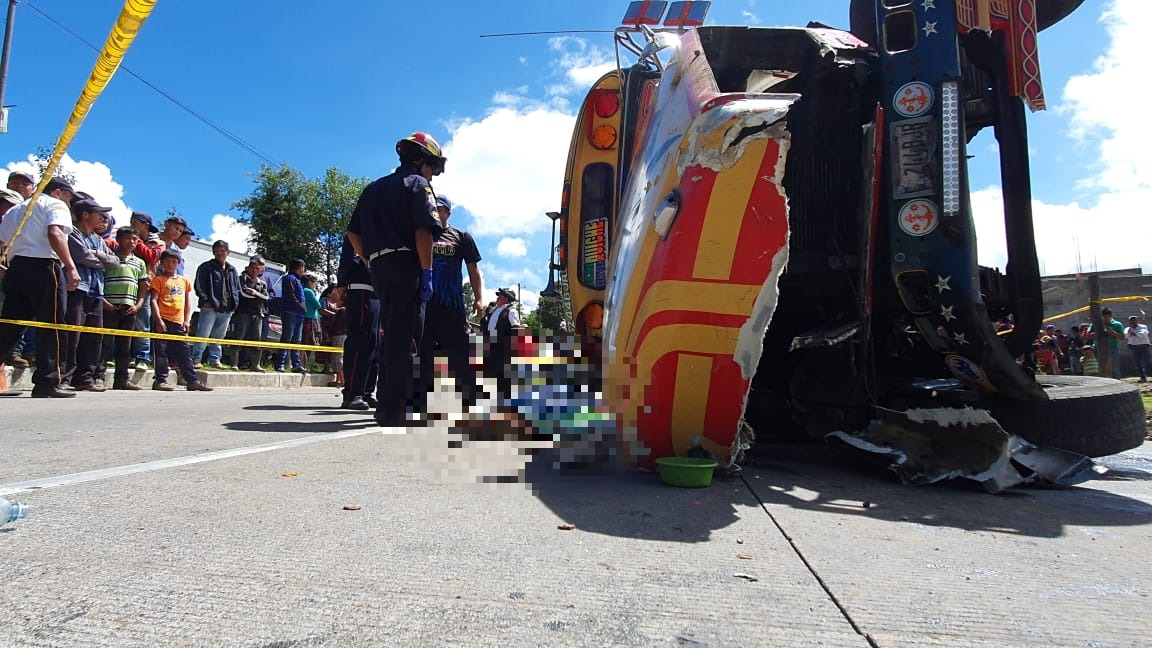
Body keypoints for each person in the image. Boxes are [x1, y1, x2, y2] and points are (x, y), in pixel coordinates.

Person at [346, 131, 445, 425]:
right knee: (407, 337)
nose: (433, 175)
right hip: (406, 265)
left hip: (379, 268)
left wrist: (370, 260)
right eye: (433, 167)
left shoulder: (373, 189)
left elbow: (353, 233)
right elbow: (423, 231)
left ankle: (386, 407)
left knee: (389, 336)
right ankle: (398, 409)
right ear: (421, 161)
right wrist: (427, 272)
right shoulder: (418, 184)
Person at [0, 177, 82, 398]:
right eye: (69, 196)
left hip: (16, 268)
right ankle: (48, 382)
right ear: (58, 192)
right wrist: (71, 267)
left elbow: (3, 241)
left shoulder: (15, 210)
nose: (70, 201)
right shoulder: (54, 204)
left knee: (9, 326)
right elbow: (55, 233)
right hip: (44, 267)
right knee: (52, 326)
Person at [415, 194, 484, 415]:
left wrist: (479, 297)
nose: (437, 212)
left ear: (448, 212)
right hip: (425, 303)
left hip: (452, 304)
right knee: (422, 353)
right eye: (434, 208)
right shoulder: (422, 234)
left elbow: (473, 270)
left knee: (460, 352)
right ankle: (421, 402)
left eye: (441, 209)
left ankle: (470, 399)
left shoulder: (462, 236)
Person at [62, 197, 119, 391]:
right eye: (99, 214)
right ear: (85, 215)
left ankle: (85, 378)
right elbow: (81, 256)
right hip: (77, 289)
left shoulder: (99, 240)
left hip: (96, 292)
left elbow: (115, 263)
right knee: (72, 336)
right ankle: (64, 378)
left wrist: (98, 255)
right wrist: (100, 259)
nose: (103, 218)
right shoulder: (72, 233)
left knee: (94, 337)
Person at [150, 249, 212, 392]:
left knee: (184, 353)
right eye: (167, 261)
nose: (170, 264)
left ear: (178, 263)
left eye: (174, 261)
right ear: (162, 263)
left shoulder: (183, 281)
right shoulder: (159, 280)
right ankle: (160, 380)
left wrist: (186, 320)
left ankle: (192, 380)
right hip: (163, 320)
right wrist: (158, 319)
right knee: (161, 352)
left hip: (178, 321)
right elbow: (153, 300)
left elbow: (187, 302)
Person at [334, 235, 378, 410]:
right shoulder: (360, 231)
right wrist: (341, 285)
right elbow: (348, 259)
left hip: (378, 292)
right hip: (361, 289)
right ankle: (353, 394)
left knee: (375, 346)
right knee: (361, 342)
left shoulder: (384, 229)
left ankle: (366, 391)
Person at [103, 226, 149, 390]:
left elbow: (143, 286)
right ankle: (98, 377)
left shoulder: (140, 263)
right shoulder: (109, 258)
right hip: (109, 307)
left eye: (135, 239)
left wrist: (138, 305)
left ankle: (121, 380)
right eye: (128, 238)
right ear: (119, 239)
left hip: (129, 309)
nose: (131, 242)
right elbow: (100, 280)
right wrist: (103, 301)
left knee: (125, 347)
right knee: (105, 344)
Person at [191, 240, 240, 368]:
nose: (220, 253)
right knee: (203, 334)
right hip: (209, 307)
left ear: (228, 252)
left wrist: (234, 304)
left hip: (226, 309)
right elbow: (199, 285)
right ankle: (196, 358)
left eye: (222, 250)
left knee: (219, 336)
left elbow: (236, 288)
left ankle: (215, 359)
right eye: (217, 250)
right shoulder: (206, 267)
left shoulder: (232, 270)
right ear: (213, 252)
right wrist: (206, 300)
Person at [227, 257, 270, 371]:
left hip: (257, 313)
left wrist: (255, 293)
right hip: (242, 312)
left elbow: (266, 298)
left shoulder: (262, 284)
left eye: (257, 268)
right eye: (253, 268)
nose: (255, 270)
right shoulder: (241, 279)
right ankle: (234, 364)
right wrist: (258, 296)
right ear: (248, 267)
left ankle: (255, 365)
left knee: (257, 340)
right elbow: (242, 293)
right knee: (238, 338)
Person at [485, 287, 524, 400]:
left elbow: (516, 328)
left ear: (506, 299)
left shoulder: (511, 311)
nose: (498, 298)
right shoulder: (495, 310)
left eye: (501, 296)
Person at [276, 259, 307, 373]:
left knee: (297, 340)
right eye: (302, 267)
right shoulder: (289, 278)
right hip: (290, 312)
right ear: (299, 267)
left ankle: (296, 364)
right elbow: (291, 295)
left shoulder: (299, 281)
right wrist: (300, 306)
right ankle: (280, 363)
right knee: (287, 338)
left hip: (299, 314)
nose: (303, 270)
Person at [1087, 307, 1125, 379]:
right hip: (1098, 348)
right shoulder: (1095, 324)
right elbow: (1088, 336)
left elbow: (1122, 337)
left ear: (1111, 316)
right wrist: (1099, 331)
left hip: (1112, 348)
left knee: (1114, 367)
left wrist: (1112, 332)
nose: (1106, 319)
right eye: (1104, 317)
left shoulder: (1117, 324)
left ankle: (1117, 382)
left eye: (1108, 317)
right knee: (1101, 367)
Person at [301, 274, 323, 367]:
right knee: (306, 340)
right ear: (310, 282)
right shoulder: (308, 291)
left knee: (309, 340)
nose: (315, 285)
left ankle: (304, 363)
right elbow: (318, 305)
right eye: (314, 283)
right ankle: (302, 363)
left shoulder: (304, 290)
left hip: (310, 318)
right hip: (309, 319)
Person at [1125, 315, 1151, 383]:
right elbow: (1126, 335)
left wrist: (1133, 333)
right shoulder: (1128, 329)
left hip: (1144, 347)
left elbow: (1143, 334)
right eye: (1132, 321)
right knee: (1137, 364)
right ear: (1129, 322)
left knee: (1148, 362)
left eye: (1135, 320)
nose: (1133, 322)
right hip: (1134, 347)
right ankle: (1143, 378)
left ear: (1137, 321)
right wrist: (1132, 332)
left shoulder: (1143, 326)